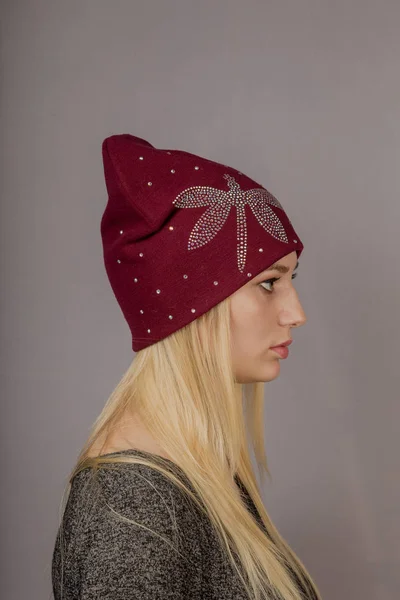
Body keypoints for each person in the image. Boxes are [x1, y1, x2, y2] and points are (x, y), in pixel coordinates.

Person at [51, 134, 322, 600]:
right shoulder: (131, 509)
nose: (296, 312)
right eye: (268, 283)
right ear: (194, 306)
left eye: (290, 279)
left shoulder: (192, 471)